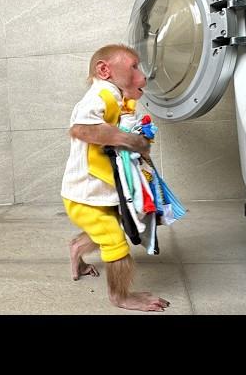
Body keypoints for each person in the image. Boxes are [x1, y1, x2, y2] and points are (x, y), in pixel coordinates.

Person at [61, 43, 170, 312]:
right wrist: (135, 142)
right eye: (134, 67)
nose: (141, 75)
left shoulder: (116, 98)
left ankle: (77, 249)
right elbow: (83, 129)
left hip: (103, 189)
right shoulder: (100, 94)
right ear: (104, 70)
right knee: (114, 240)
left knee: (112, 226)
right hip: (84, 193)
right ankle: (120, 296)